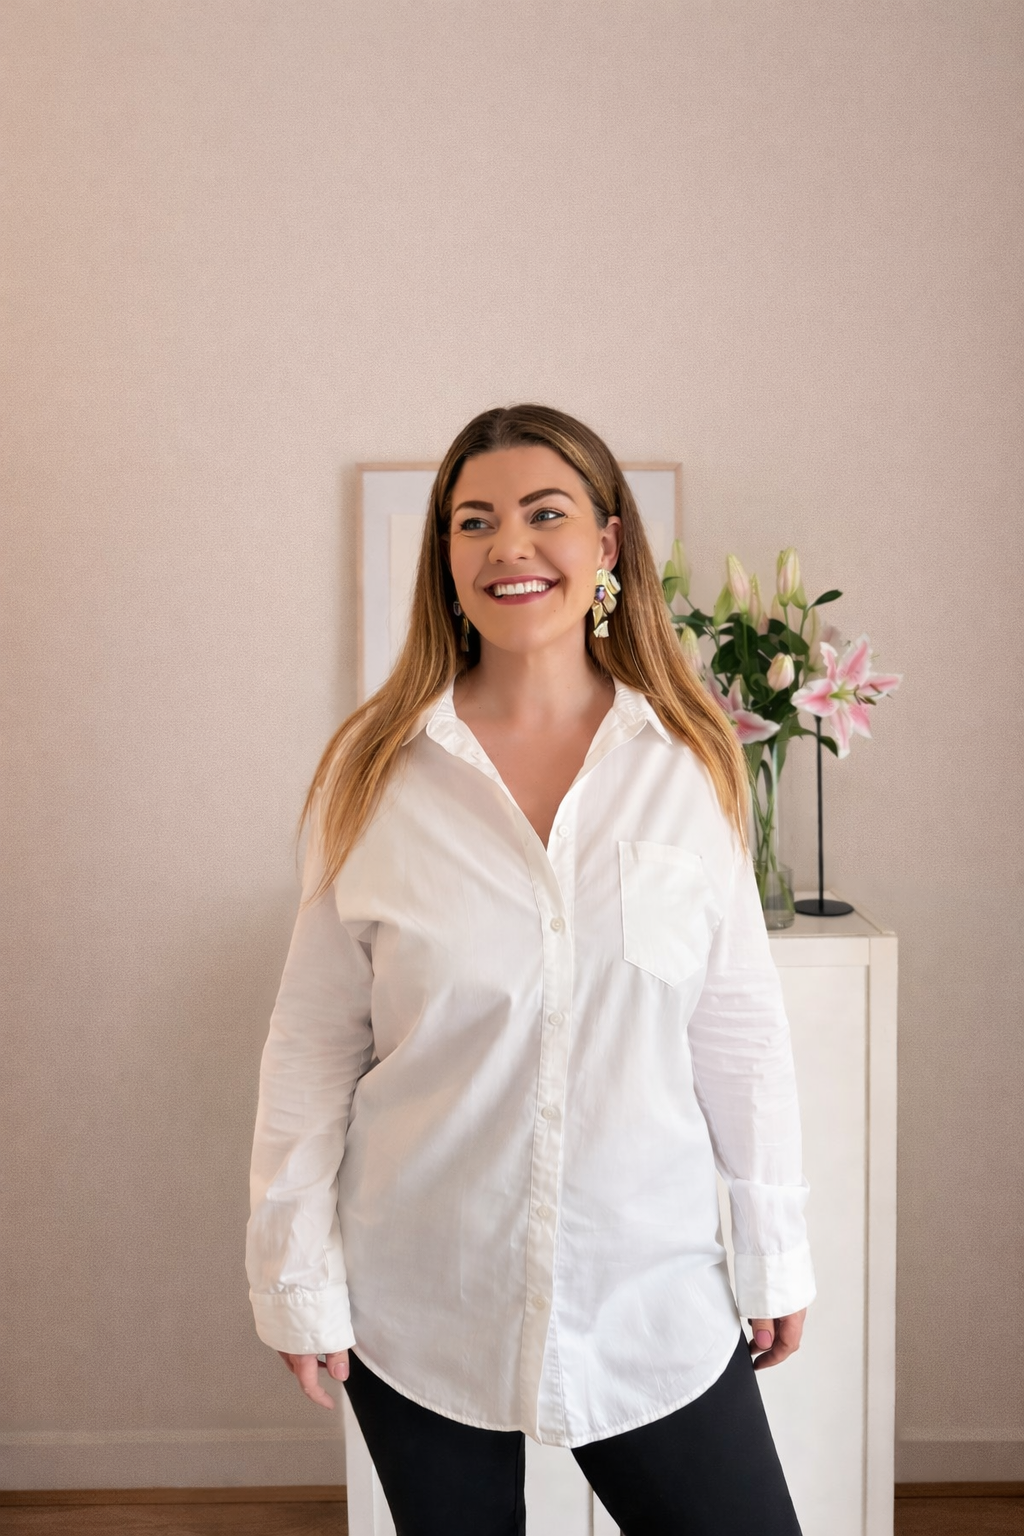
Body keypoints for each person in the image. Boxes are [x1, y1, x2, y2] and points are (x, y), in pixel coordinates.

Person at [246, 404, 816, 1536]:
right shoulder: (374, 772)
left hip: (650, 1291)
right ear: (446, 557)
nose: (508, 545)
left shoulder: (690, 760)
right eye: (474, 522)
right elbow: (311, 1047)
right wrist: (293, 1275)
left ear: (607, 542)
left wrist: (774, 1252)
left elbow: (739, 1032)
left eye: (543, 513)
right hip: (424, 1293)